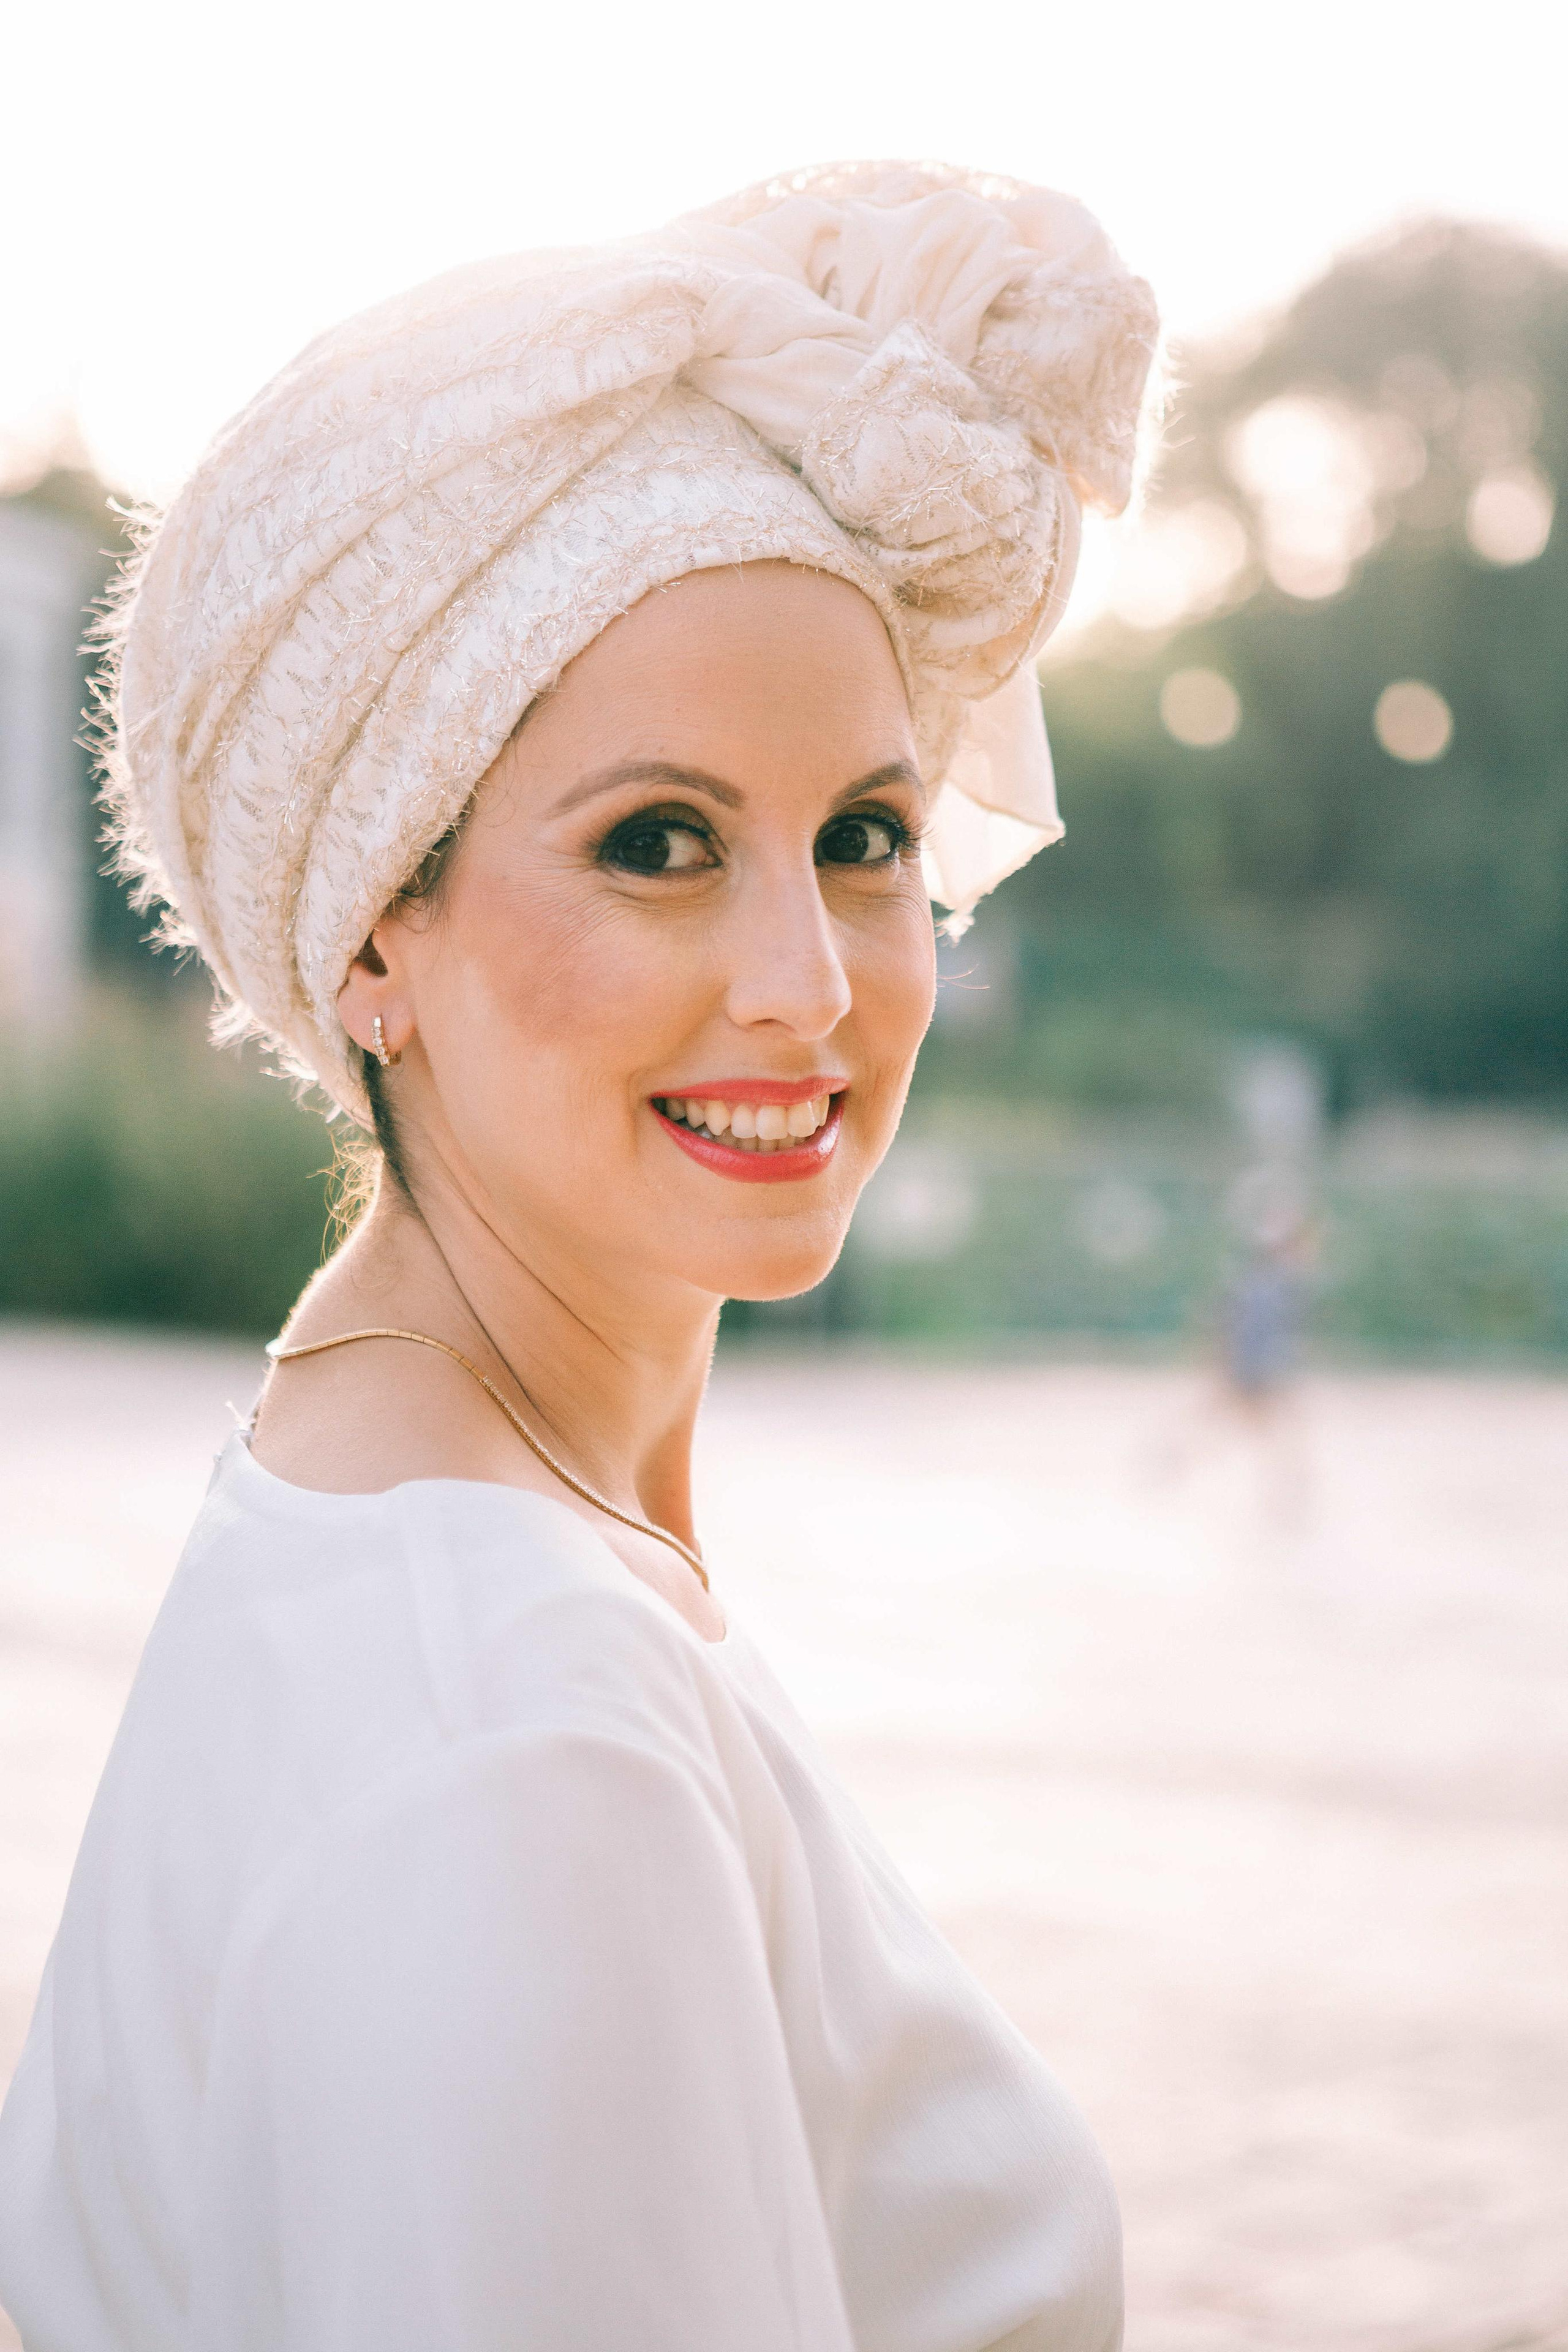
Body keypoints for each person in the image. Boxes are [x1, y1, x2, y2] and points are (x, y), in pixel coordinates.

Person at [0, 163, 1157, 2349]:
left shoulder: (377, 1501)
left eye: (867, 839)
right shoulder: (521, 1748)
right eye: (659, 845)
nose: (811, 978)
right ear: (371, 938)